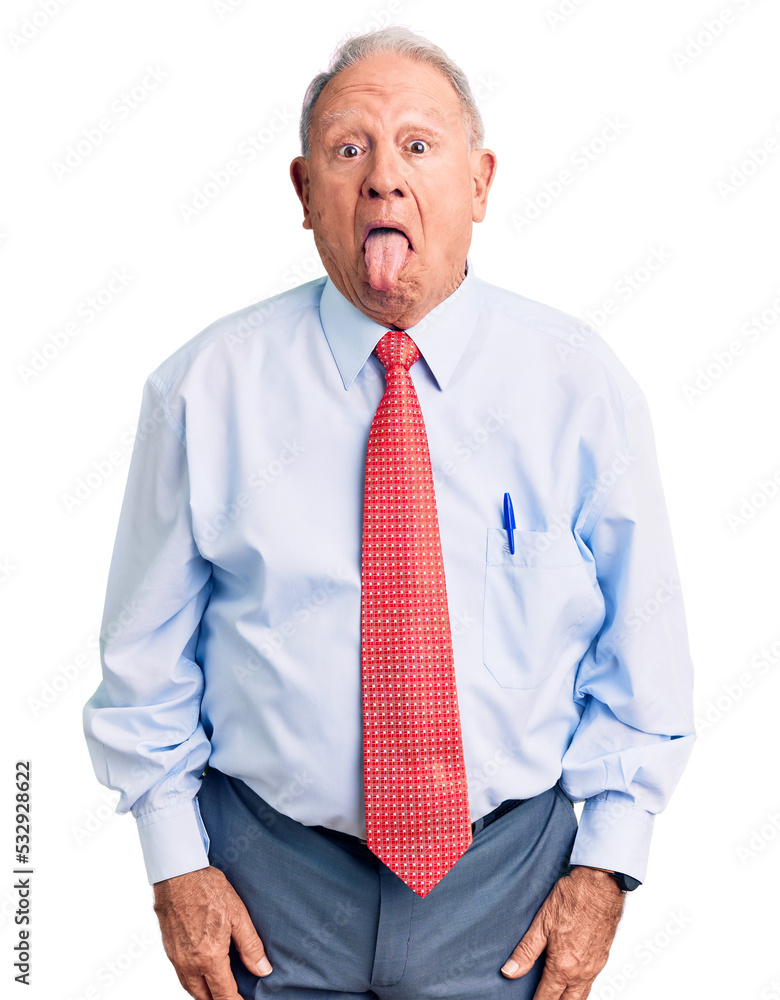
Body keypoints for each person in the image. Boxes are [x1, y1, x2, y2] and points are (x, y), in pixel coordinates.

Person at [83, 25, 695, 1000]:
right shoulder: (205, 389)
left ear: (482, 182)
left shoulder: (579, 387)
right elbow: (144, 655)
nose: (382, 179)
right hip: (265, 889)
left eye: (418, 145)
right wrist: (174, 862)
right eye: (348, 148)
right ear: (303, 191)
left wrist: (605, 869)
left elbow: (643, 651)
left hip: (510, 891)